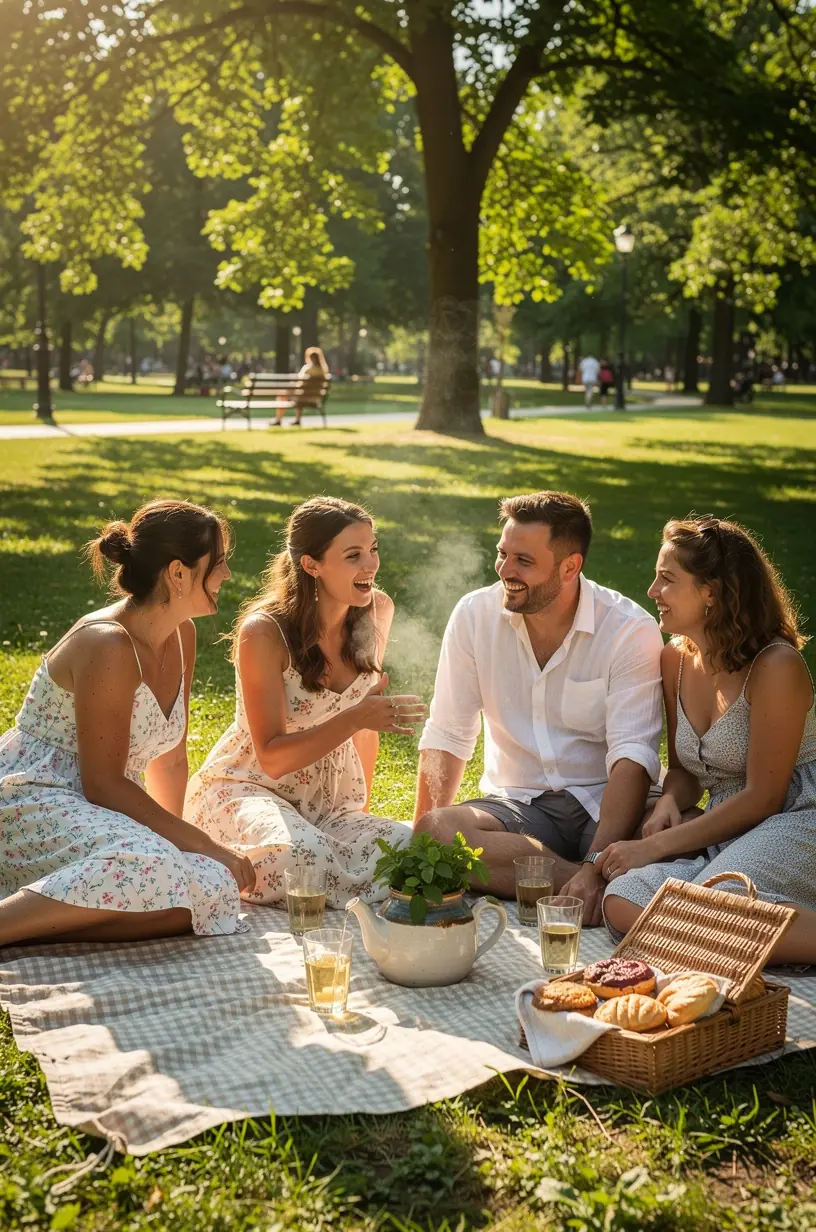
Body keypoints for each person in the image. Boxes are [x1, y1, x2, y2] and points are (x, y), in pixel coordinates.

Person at [0, 501, 255, 948]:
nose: (227, 574)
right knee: (154, 866)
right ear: (178, 573)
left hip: (102, 809)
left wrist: (185, 849)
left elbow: (169, 760)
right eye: (218, 563)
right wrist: (202, 844)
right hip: (37, 796)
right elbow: (102, 783)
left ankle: (47, 922)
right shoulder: (109, 644)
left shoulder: (182, 634)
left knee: (211, 885)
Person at [413, 491, 664, 925]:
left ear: (570, 567)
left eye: (523, 561)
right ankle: (601, 889)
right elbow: (447, 734)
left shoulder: (628, 630)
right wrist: (421, 854)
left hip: (607, 804)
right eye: (502, 554)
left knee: (677, 828)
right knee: (437, 832)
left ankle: (583, 879)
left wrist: (597, 857)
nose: (505, 571)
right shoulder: (474, 616)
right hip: (518, 806)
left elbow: (632, 758)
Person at [185, 496, 424, 906]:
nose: (370, 565)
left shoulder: (376, 612)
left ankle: (329, 874)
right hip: (250, 788)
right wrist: (356, 718)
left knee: (406, 847)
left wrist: (360, 813)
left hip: (331, 802)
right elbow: (272, 757)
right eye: (353, 555)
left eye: (373, 549)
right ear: (312, 565)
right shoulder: (264, 632)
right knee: (301, 857)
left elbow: (364, 733)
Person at [601, 517, 816, 964]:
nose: (652, 591)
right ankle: (721, 935)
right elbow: (685, 772)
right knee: (622, 897)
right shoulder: (674, 660)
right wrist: (669, 801)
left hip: (796, 816)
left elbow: (764, 797)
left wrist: (654, 846)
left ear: (712, 593)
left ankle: (716, 930)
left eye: (667, 579)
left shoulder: (776, 666)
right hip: (726, 825)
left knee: (712, 903)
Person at [272, 346, 330, 427]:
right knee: (297, 394)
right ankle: (297, 420)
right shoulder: (323, 371)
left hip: (303, 397)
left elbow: (300, 384)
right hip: (316, 397)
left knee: (282, 395)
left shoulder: (308, 369)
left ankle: (278, 420)